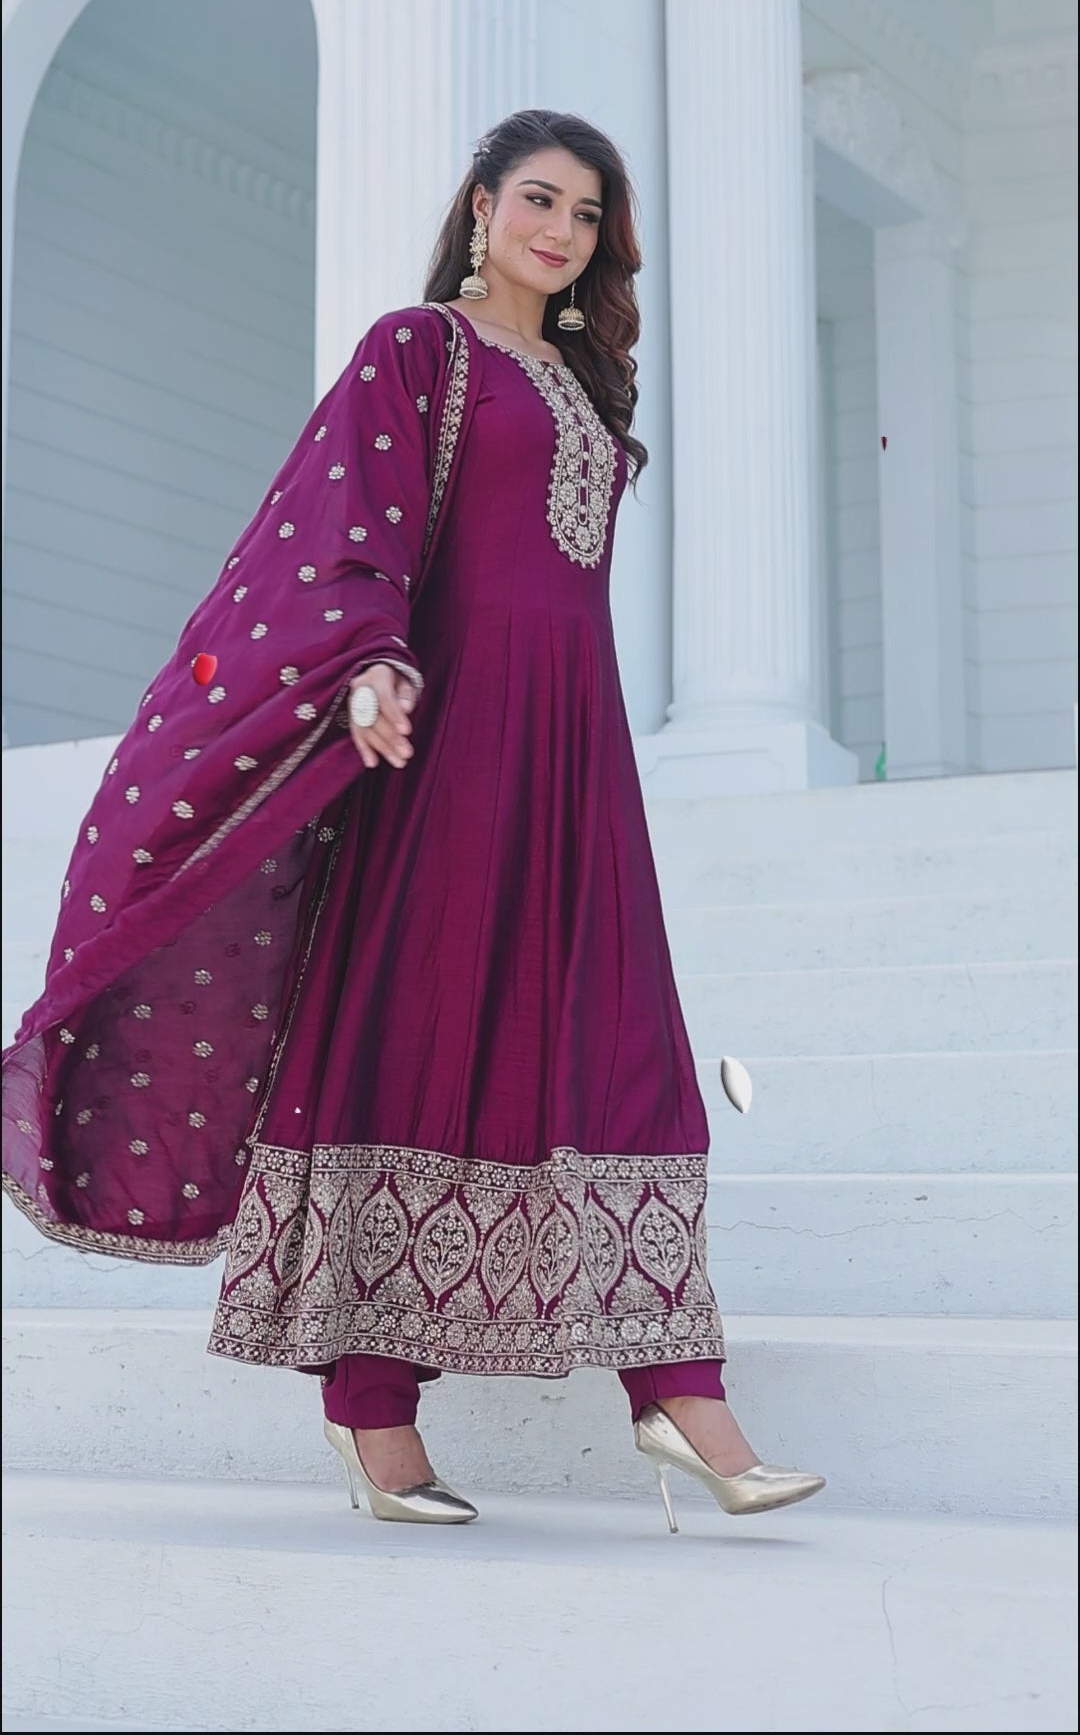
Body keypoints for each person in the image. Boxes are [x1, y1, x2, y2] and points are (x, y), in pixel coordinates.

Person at [3, 109, 824, 1532]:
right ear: (483, 206)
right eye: (538, 200)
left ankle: (680, 1393)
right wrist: (370, 664)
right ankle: (373, 1411)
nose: (559, 231)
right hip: (448, 744)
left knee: (617, 1040)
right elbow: (345, 526)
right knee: (416, 1039)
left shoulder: (581, 383)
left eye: (586, 215)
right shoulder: (419, 350)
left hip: (577, 750)